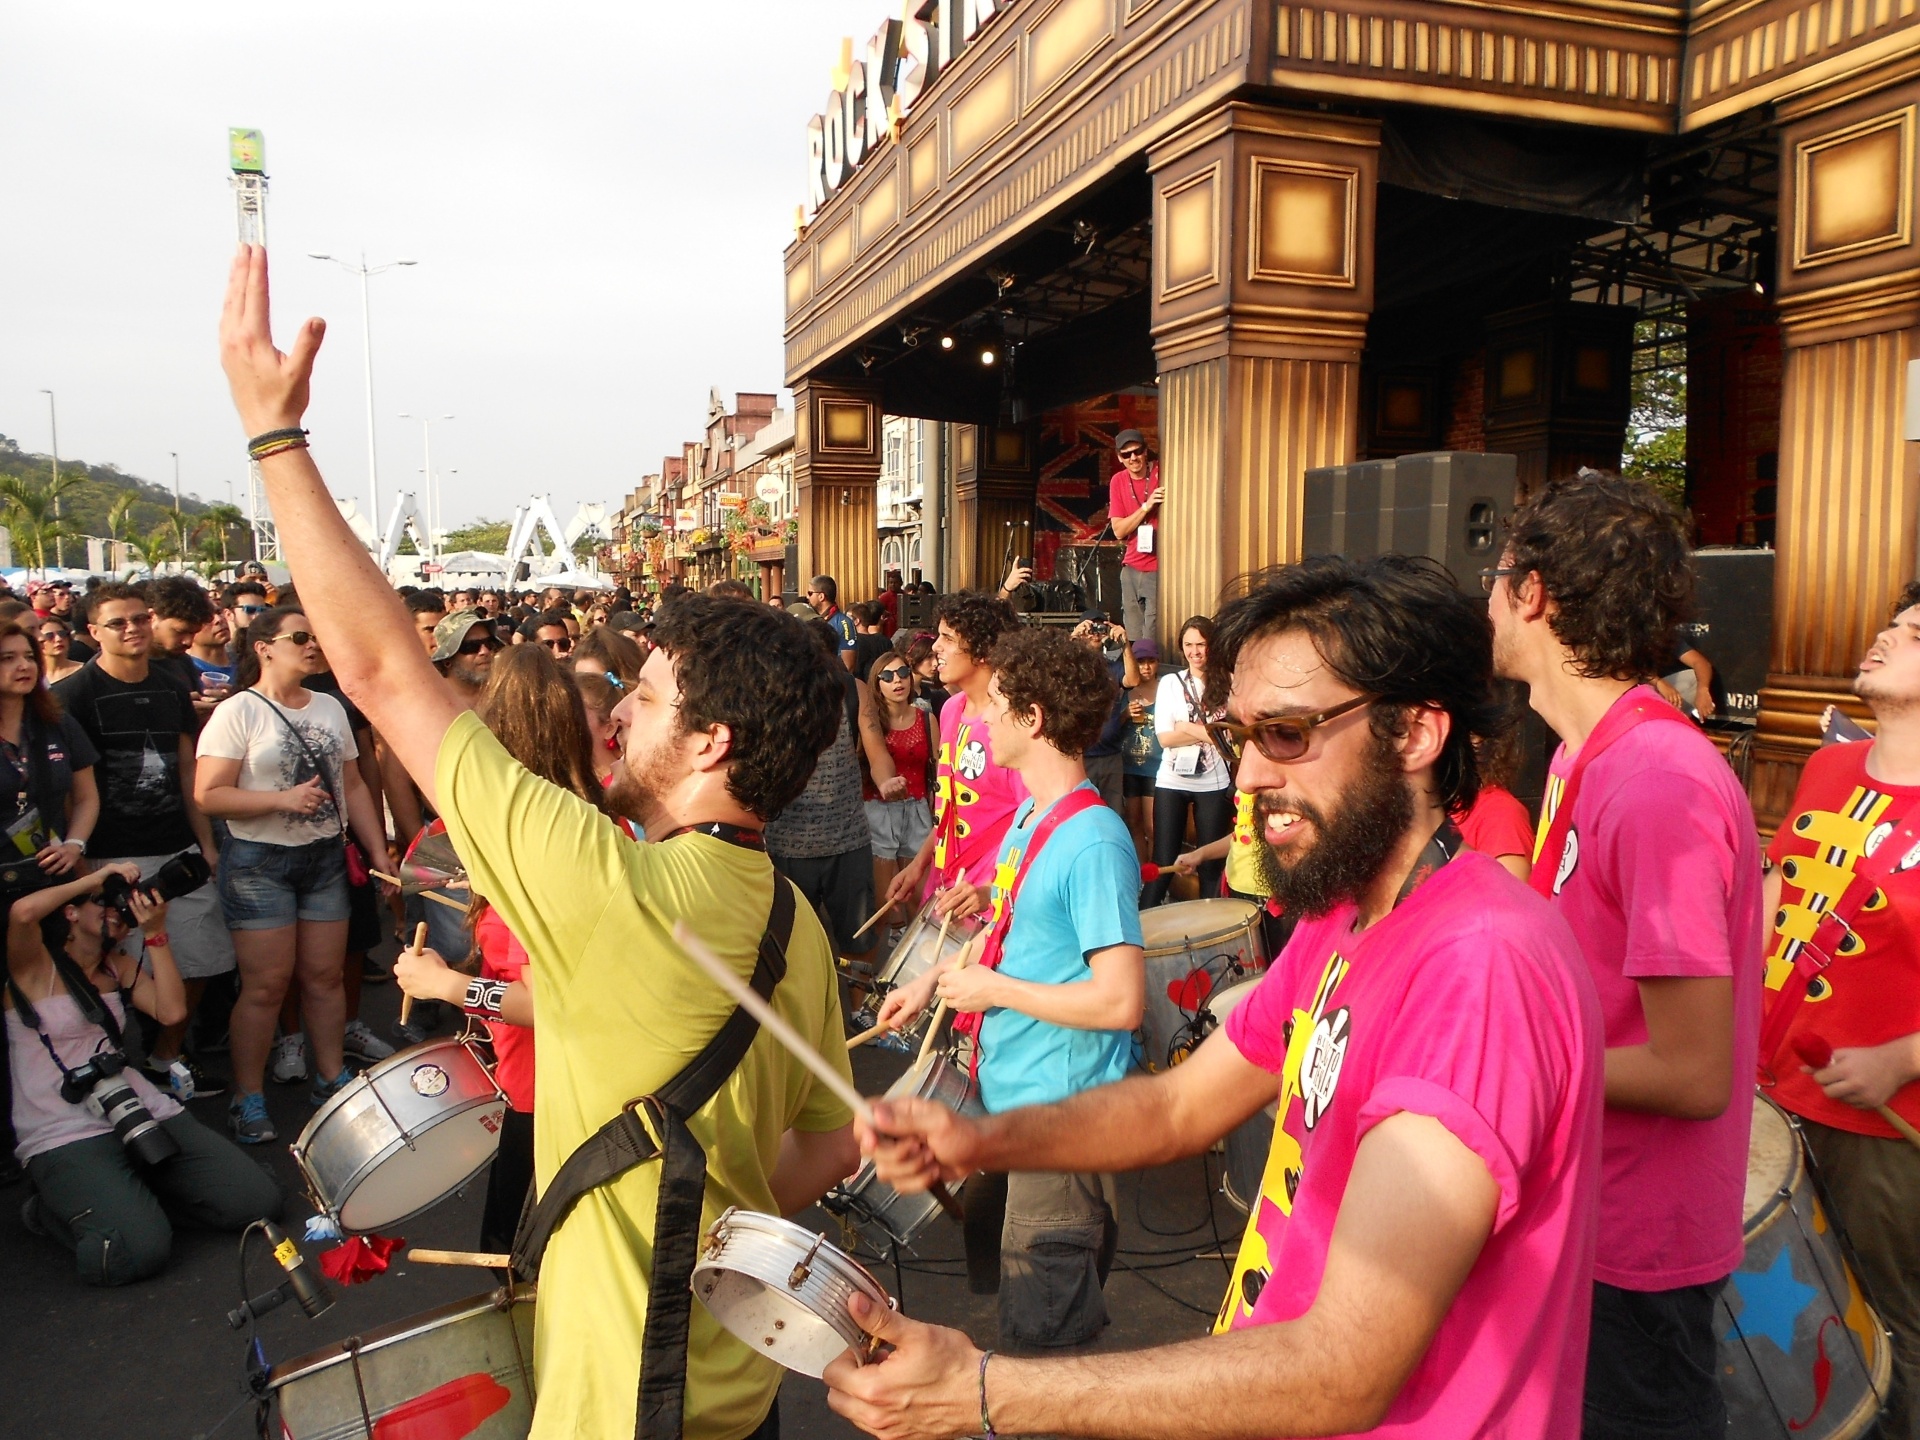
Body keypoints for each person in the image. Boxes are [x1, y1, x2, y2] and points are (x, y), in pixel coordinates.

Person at [220, 242, 861, 1440]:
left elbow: (382, 672)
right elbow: (828, 1147)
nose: (614, 715)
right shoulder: (795, 921)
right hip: (735, 1395)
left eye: (647, 699)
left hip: (628, 1407)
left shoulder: (607, 881)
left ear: (711, 742)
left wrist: (274, 435)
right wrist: (689, 1222)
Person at [828, 554, 1603, 1440]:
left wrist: (981, 1393)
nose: (1249, 777)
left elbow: (1344, 1371)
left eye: (1288, 734)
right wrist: (979, 1138)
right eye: (1242, 738)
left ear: (1416, 734)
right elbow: (1179, 1107)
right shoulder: (1346, 916)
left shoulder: (1480, 967)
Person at [1489, 471, 1761, 1440]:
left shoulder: (1654, 782)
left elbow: (1692, 1072)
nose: (1488, 602)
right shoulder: (1581, 756)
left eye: (1496, 578)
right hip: (1581, 1209)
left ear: (1533, 593)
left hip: (1637, 1243)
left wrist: (1504, 1065)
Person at [877, 626, 1143, 1349]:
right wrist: (937, 978)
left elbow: (1120, 1001)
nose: (982, 716)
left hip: (1061, 1120)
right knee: (1020, 1307)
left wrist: (992, 990)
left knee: (1045, 1339)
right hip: (1012, 1104)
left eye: (997, 704)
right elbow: (1012, 931)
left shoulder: (1092, 840)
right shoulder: (1031, 814)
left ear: (1033, 719)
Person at [1761, 581, 1920, 1438]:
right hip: (1769, 1088)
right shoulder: (1826, 768)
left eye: (1916, 634)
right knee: (1789, 1322)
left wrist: (1902, 1058)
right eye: (1891, 624)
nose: (1885, 637)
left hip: (1882, 1130)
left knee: (1890, 1325)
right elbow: (1779, 897)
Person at [393, 644, 613, 1253]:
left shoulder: (531, 850)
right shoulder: (603, 822)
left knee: (513, 1261)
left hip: (547, 1090)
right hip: (591, 1079)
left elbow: (542, 1003)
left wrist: (445, 986)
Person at [5, 862, 283, 1285]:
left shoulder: (116, 965)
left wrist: (155, 932)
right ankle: (51, 1210)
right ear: (71, 912)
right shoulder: (34, 967)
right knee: (138, 1252)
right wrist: (95, 879)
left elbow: (171, 1011)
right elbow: (23, 913)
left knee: (256, 1202)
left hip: (134, 1106)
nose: (116, 910)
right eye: (102, 904)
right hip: (62, 1127)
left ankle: (131, 1201)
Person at [194, 608, 396, 1143]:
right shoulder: (238, 710)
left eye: (317, 637)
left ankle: (330, 1078)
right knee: (265, 986)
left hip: (324, 858)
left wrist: (377, 848)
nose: (313, 646)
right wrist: (281, 799)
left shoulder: (329, 707)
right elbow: (208, 794)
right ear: (264, 647)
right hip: (259, 862)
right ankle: (247, 1096)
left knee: (325, 978)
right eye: (301, 637)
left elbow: (353, 784)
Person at [53, 584, 231, 1101]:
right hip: (109, 855)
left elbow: (186, 769)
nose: (131, 629)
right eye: (117, 623)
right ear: (93, 632)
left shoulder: (173, 685)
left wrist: (206, 844)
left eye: (139, 619)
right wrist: (80, 862)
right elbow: (70, 791)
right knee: (118, 970)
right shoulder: (72, 695)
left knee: (202, 959)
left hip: (178, 846)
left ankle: (165, 1058)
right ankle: (118, 1073)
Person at [766, 619, 902, 970]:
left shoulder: (854, 690)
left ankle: (856, 1001)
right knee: (790, 945)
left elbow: (876, 751)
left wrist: (886, 782)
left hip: (848, 840)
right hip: (789, 844)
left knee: (859, 936)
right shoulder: (774, 694)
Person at [883, 591, 1027, 922]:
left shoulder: (1014, 722)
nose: (936, 647)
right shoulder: (950, 709)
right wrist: (918, 866)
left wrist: (992, 891)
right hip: (945, 884)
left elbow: (1036, 825)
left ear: (983, 650)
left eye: (948, 638)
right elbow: (948, 809)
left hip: (989, 897)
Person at [1142, 616, 1233, 906]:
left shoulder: (1228, 683)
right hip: (1172, 779)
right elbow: (1165, 738)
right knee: (1164, 858)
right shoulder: (1171, 682)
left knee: (1211, 866)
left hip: (1214, 782)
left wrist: (1185, 727)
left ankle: (1211, 926)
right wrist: (1207, 733)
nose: (1195, 651)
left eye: (1201, 644)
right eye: (1188, 645)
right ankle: (1144, 918)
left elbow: (1228, 738)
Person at [864, 649, 937, 942]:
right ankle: (890, 944)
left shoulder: (926, 718)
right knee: (886, 899)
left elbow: (938, 767)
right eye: (888, 676)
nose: (898, 681)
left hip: (918, 809)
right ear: (877, 683)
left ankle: (916, 949)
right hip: (879, 810)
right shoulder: (871, 722)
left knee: (918, 895)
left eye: (903, 673)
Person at [1072, 612, 1140, 815]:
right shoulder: (1071, 667)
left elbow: (1133, 679)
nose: (1095, 634)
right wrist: (1072, 638)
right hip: (1081, 756)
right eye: (1091, 628)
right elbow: (1050, 671)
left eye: (1100, 628)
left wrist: (1125, 644)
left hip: (1111, 755)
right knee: (1081, 813)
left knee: (1114, 813)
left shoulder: (1112, 667)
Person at [1107, 429, 1161, 645]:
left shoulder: (1161, 472)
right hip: (1131, 567)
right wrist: (1147, 507)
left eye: (1137, 451)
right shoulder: (1118, 480)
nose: (1133, 458)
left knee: (1152, 635)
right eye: (1126, 454)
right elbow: (1119, 530)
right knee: (1134, 639)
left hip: (1159, 567)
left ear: (1146, 451)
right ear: (1119, 458)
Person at [1119, 638, 1161, 861]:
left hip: (1157, 768)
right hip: (1129, 767)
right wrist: (1125, 714)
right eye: (1140, 661)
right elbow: (1111, 726)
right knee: (1133, 823)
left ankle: (1156, 874)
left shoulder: (1166, 690)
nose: (1145, 667)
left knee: (1153, 827)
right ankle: (1141, 872)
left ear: (1158, 663)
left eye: (1150, 661)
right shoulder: (1125, 690)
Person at [807, 574, 858, 670]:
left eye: (810, 593)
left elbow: (848, 666)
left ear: (821, 596)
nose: (807, 597)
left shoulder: (844, 622)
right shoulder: (810, 618)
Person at [187, 605, 238, 701]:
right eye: (206, 617)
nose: (218, 619)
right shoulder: (184, 671)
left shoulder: (248, 663)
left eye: (219, 612)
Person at [35, 615, 85, 687]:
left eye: (62, 634)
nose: (58, 639)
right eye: (49, 636)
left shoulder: (84, 671)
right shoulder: (34, 676)